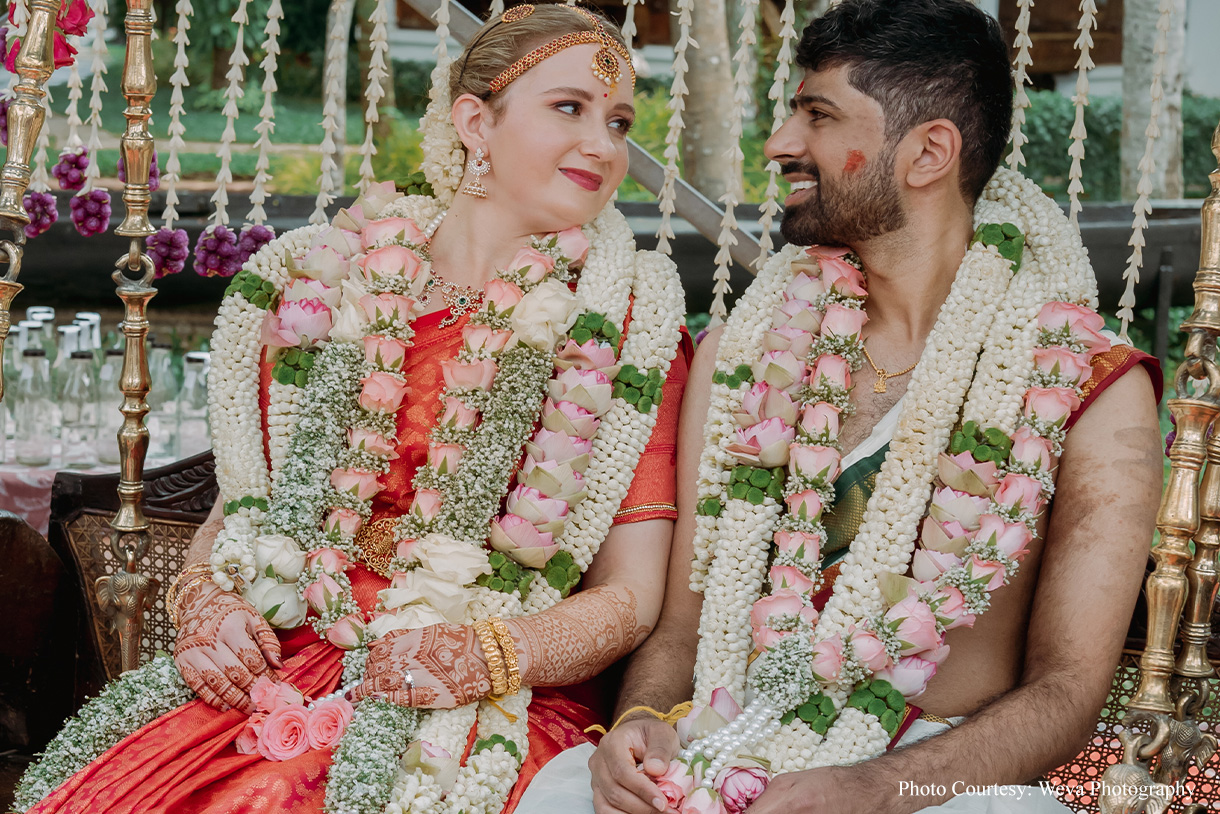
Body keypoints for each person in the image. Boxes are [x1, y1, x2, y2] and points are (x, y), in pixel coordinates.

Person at [15, 5, 692, 813]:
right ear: (475, 121)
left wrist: (484, 656)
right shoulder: (331, 281)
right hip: (287, 655)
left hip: (473, 687)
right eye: (570, 108)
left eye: (619, 121)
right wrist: (206, 604)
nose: (605, 146)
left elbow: (631, 596)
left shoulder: (630, 324)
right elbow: (241, 509)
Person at [516, 1, 1163, 813]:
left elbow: (1068, 693)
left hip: (933, 782)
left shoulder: (1090, 386)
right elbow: (681, 628)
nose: (780, 143)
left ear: (929, 152)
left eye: (816, 114)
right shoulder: (742, 353)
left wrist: (871, 790)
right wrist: (642, 721)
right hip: (717, 745)